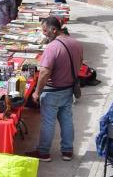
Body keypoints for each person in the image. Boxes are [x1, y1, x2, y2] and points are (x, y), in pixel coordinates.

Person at [26, 17, 83, 162]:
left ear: (54, 29)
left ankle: (44, 152)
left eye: (45, 30)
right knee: (66, 120)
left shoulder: (52, 47)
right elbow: (80, 63)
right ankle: (67, 151)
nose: (44, 33)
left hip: (52, 91)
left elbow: (44, 72)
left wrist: (37, 91)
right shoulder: (76, 43)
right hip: (68, 89)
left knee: (48, 122)